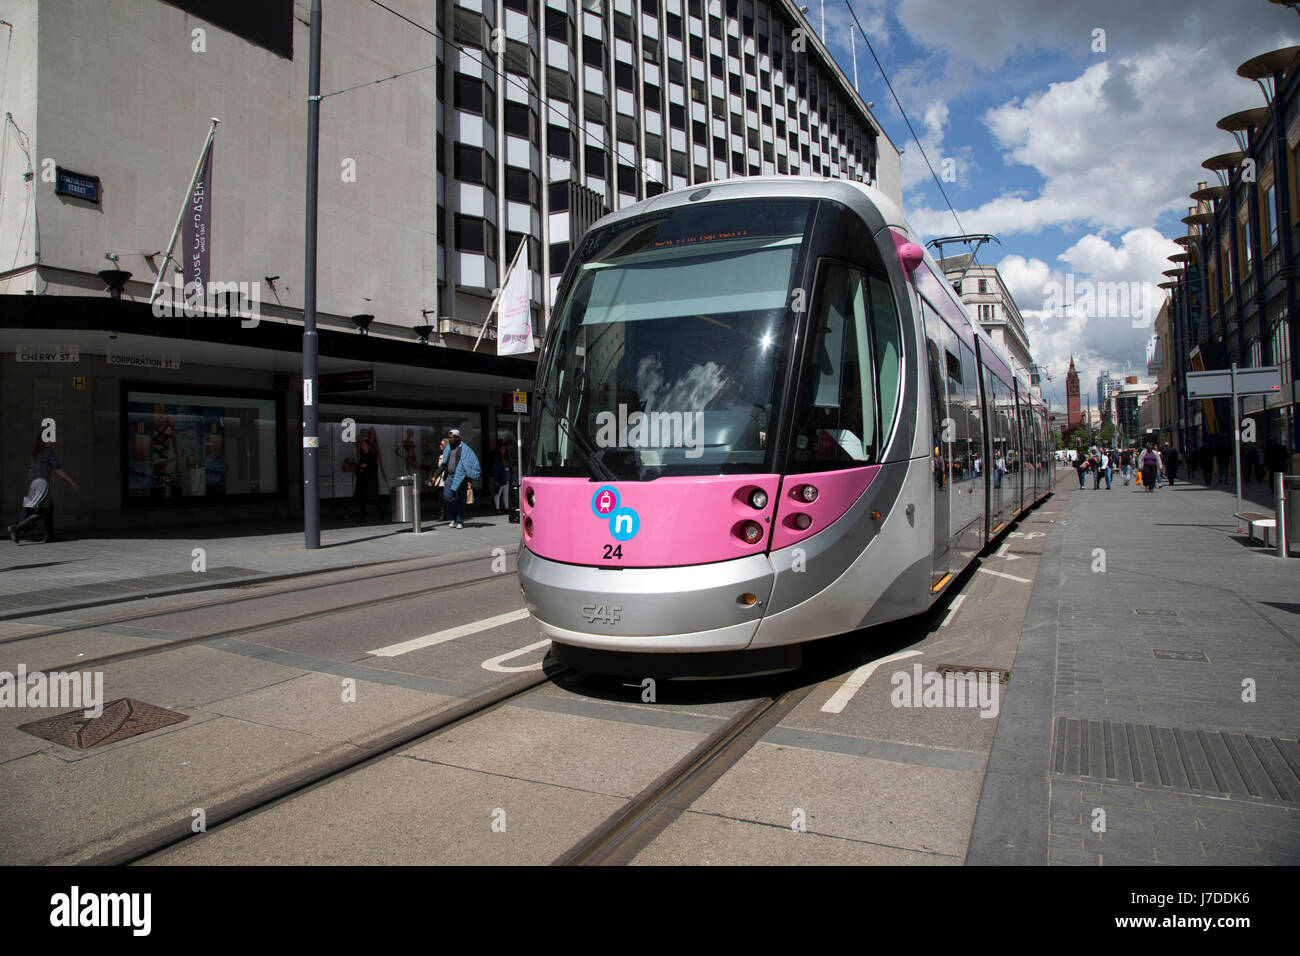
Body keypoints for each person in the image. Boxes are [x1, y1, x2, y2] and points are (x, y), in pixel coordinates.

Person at [10, 439, 78, 543]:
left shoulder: (35, 453)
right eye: (50, 439)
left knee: (49, 509)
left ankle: (49, 535)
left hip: (34, 484)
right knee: (43, 510)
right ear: (44, 441)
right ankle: (17, 528)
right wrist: (71, 481)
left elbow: (29, 470)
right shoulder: (48, 452)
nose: (52, 441)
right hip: (42, 484)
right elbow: (58, 469)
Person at [439, 429, 480, 529]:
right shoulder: (448, 448)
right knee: (448, 497)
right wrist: (434, 476)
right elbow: (444, 464)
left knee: (461, 500)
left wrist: (469, 480)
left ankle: (459, 520)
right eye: (449, 438)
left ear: (457, 438)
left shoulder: (465, 450)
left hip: (461, 478)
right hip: (449, 477)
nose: (450, 439)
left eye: (451, 438)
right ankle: (453, 518)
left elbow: (471, 464)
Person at [353, 435, 386, 523]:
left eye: (364, 445)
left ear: (368, 446)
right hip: (361, 480)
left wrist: (366, 466)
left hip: (369, 481)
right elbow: (359, 466)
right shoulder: (362, 455)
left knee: (372, 499)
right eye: (362, 445)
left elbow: (374, 467)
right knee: (361, 499)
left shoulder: (372, 455)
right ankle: (363, 517)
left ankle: (381, 510)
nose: (362, 447)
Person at [490, 440, 510, 515]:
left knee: (505, 494)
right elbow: (495, 470)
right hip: (500, 479)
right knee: (498, 494)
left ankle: (506, 508)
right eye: (502, 449)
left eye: (504, 449)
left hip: (506, 478)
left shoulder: (506, 458)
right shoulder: (497, 459)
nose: (503, 450)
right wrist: (496, 480)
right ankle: (497, 508)